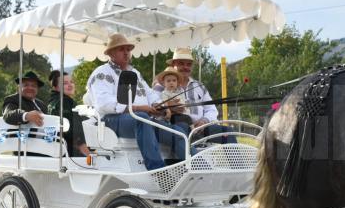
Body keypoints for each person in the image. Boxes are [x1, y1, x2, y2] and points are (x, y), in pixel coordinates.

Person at [85, 33, 188, 170]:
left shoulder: (135, 72)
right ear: (111, 53)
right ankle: (157, 170)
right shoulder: (101, 72)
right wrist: (141, 108)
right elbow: (104, 104)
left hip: (140, 119)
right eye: (122, 49)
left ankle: (198, 169)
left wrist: (159, 106)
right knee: (142, 118)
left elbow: (150, 94)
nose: (127, 53)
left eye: (128, 49)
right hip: (111, 120)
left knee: (177, 132)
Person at [168, 47, 236, 143]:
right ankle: (195, 155)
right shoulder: (162, 84)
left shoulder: (199, 86)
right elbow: (155, 109)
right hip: (176, 129)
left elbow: (212, 109)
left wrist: (204, 121)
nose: (185, 67)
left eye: (189, 64)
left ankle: (235, 158)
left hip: (201, 129)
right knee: (183, 127)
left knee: (228, 132)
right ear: (173, 64)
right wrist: (169, 108)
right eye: (181, 63)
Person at [48, 70, 90, 157]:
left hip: (61, 149)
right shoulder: (63, 102)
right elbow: (70, 130)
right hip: (69, 152)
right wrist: (83, 147)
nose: (70, 85)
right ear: (55, 87)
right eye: (65, 83)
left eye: (71, 82)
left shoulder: (55, 101)